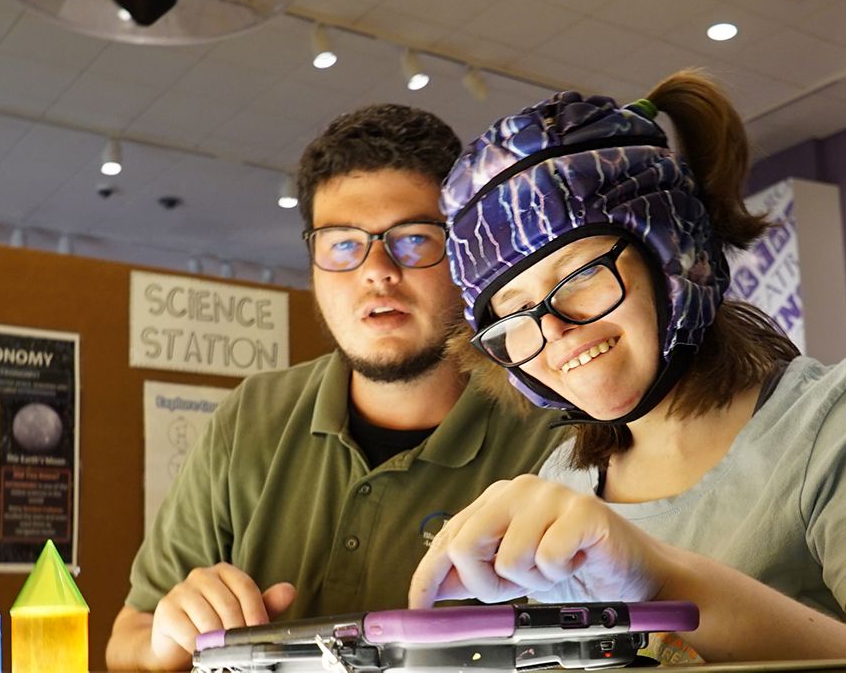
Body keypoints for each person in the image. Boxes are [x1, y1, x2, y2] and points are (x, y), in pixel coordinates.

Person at [407, 71, 846, 673]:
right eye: (513, 315)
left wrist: (663, 583)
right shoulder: (565, 481)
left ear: (673, 255)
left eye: (579, 277)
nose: (552, 329)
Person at [106, 105, 564, 671]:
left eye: (414, 238)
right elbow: (128, 639)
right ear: (313, 268)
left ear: (466, 254)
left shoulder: (553, 424)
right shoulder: (252, 417)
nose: (377, 270)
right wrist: (171, 636)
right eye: (343, 244)